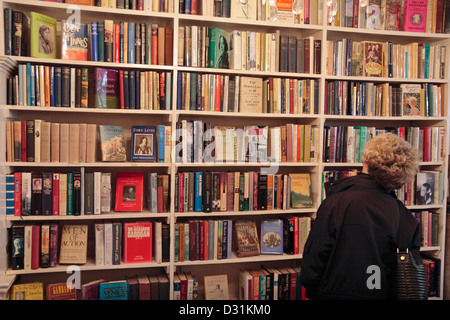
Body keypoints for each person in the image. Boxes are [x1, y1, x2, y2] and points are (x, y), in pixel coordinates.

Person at [299, 133, 423, 300]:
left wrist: (312, 290)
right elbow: (406, 268)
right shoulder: (403, 214)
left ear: (366, 159)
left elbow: (315, 258)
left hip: (331, 294)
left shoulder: (335, 202)